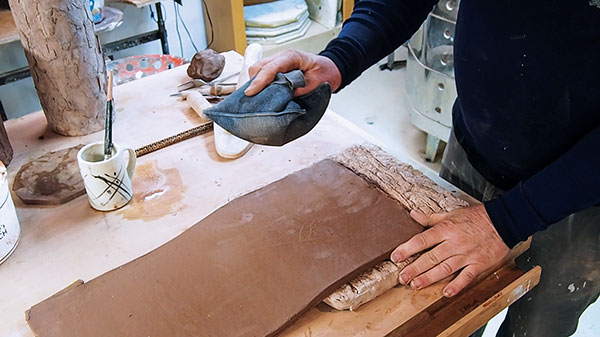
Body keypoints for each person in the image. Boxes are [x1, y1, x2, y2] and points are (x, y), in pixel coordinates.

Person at [244, 1, 600, 336]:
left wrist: (508, 220)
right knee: (446, 313)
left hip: (581, 196)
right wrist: (340, 58)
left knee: (539, 325)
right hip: (475, 145)